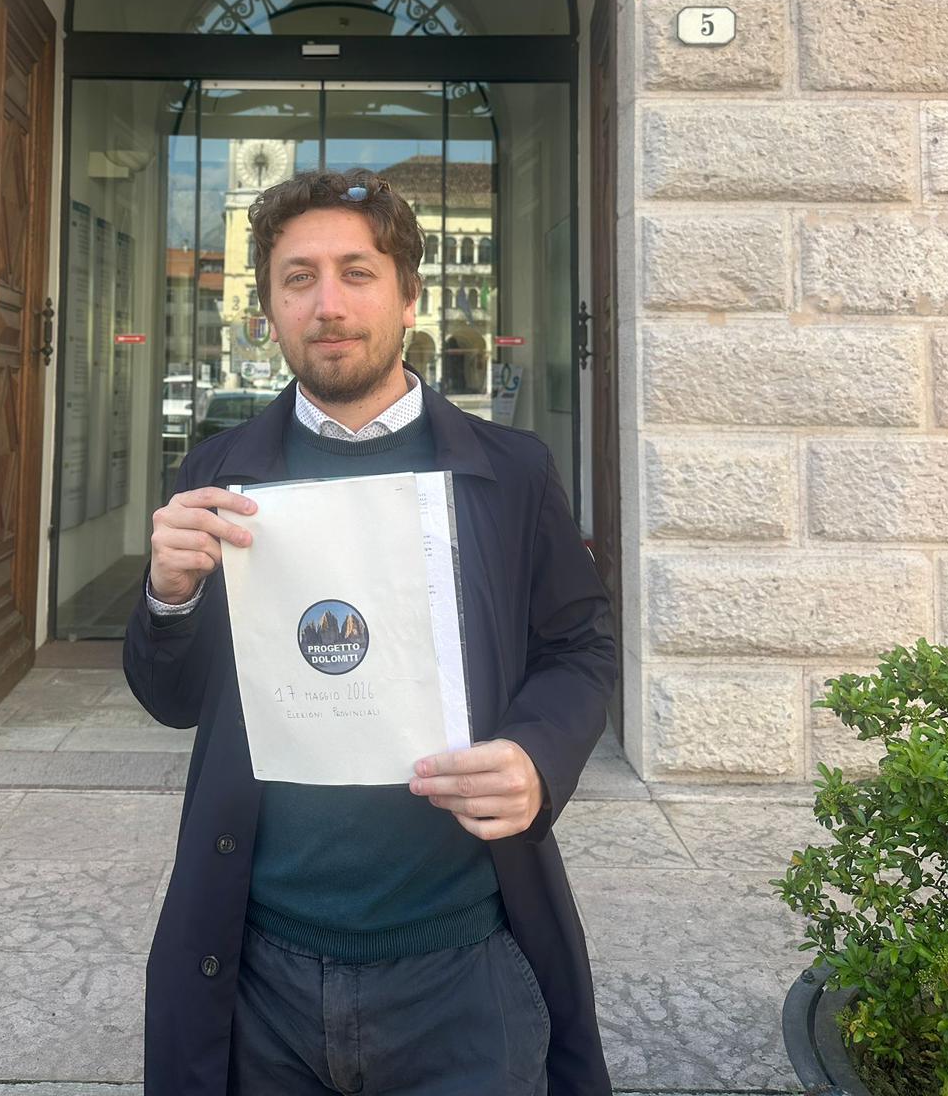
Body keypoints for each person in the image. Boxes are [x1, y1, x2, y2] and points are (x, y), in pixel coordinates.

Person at [123, 168, 618, 1096]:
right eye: (298, 278)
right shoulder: (219, 471)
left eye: (357, 273)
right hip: (258, 965)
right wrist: (168, 594)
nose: (328, 304)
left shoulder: (510, 471)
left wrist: (538, 756)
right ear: (269, 309)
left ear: (408, 296)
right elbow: (173, 700)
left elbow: (580, 645)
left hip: (462, 958)